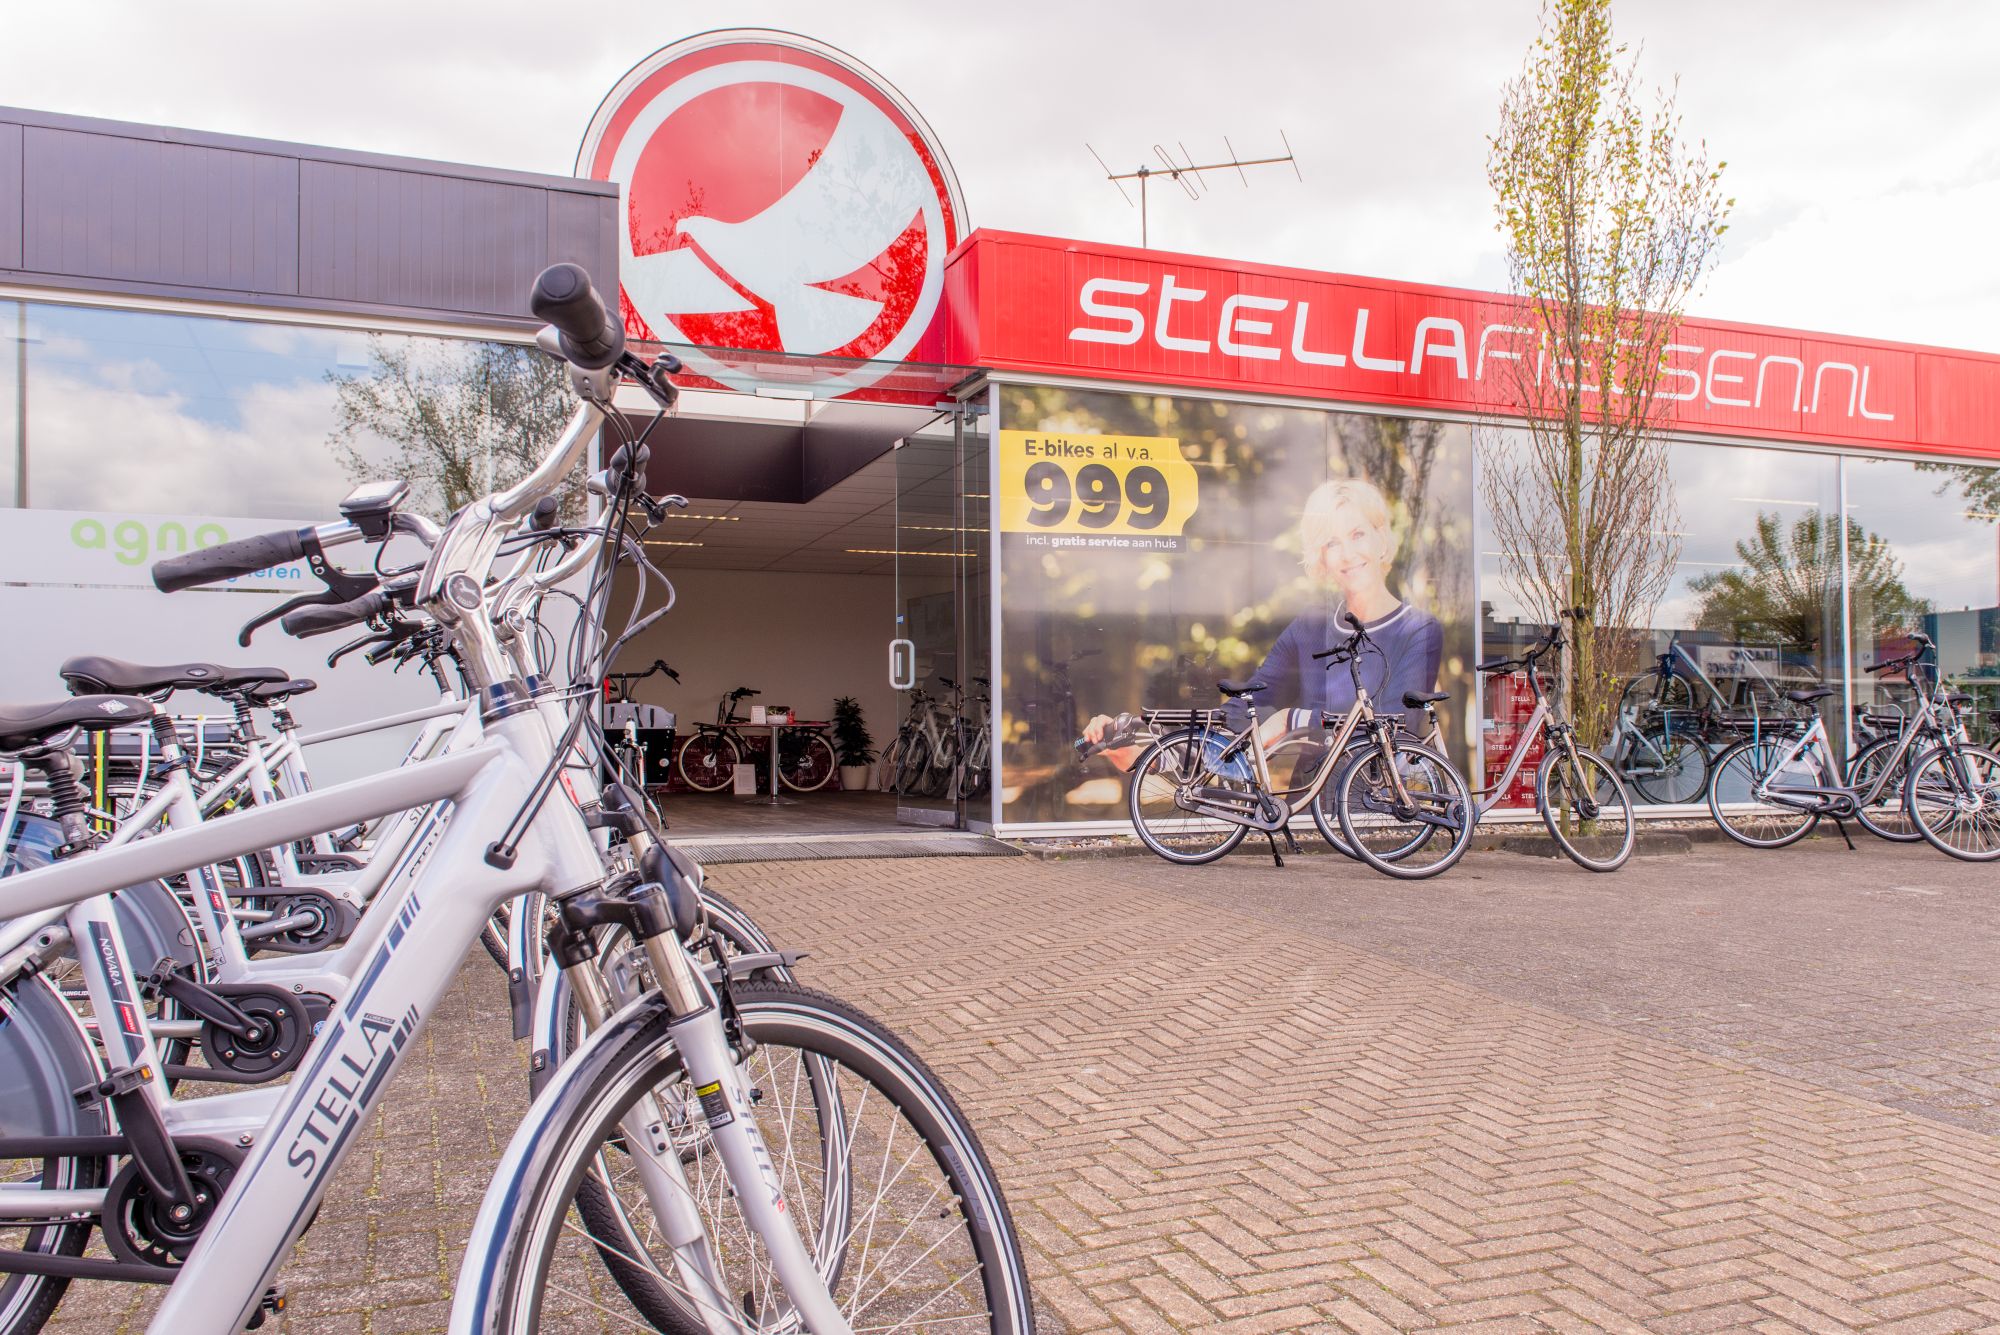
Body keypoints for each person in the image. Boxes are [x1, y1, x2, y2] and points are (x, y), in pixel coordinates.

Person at [1082, 476, 1442, 765]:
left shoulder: (1417, 630)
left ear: (1382, 538)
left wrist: (1293, 721)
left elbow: (1398, 728)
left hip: (1386, 818)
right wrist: (1146, 743)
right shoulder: (1311, 627)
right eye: (1332, 543)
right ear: (1322, 558)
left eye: (1358, 534)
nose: (1347, 554)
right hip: (1313, 811)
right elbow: (1243, 710)